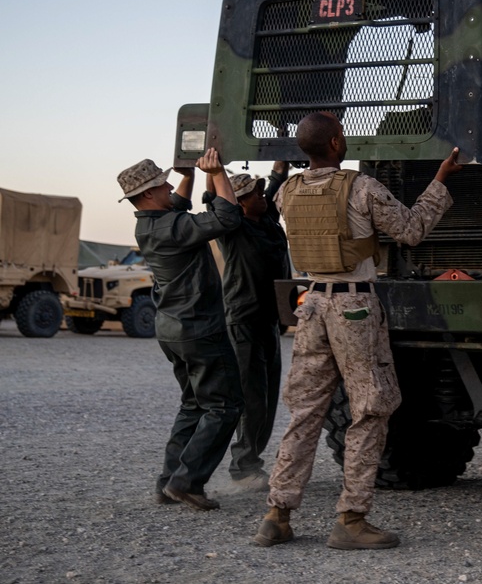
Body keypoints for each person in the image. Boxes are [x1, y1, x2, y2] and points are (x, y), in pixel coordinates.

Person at [253, 111, 462, 550]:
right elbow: (410, 231)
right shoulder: (361, 187)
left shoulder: (286, 192)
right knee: (371, 407)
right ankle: (351, 517)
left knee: (305, 411)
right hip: (354, 305)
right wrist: (441, 180)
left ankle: (277, 515)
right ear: (334, 144)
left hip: (312, 304)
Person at [118, 149, 244, 511]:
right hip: (199, 328)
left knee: (193, 404)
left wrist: (188, 174)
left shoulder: (149, 224)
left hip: (172, 330)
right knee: (225, 406)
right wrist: (218, 173)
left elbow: (176, 202)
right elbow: (228, 217)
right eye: (161, 184)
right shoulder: (172, 227)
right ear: (145, 195)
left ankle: (168, 482)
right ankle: (188, 482)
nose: (169, 186)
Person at [203, 163, 292, 490]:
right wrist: (212, 170)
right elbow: (214, 199)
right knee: (251, 398)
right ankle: (243, 467)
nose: (262, 195)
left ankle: (250, 461)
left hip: (270, 321)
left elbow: (269, 191)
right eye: (254, 193)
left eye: (260, 190)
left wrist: (279, 171)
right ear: (239, 202)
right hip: (243, 321)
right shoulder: (233, 227)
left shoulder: (267, 220)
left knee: (267, 398)